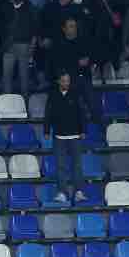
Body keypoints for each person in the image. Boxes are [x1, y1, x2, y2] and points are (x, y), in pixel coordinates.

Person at [44, 72, 88, 204]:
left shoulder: (75, 94)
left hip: (75, 135)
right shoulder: (53, 95)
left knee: (77, 165)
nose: (66, 83)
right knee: (60, 166)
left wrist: (83, 130)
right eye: (63, 81)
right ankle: (62, 192)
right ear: (59, 81)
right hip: (59, 136)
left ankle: (79, 192)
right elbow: (48, 114)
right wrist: (46, 130)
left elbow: (81, 113)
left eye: (68, 81)